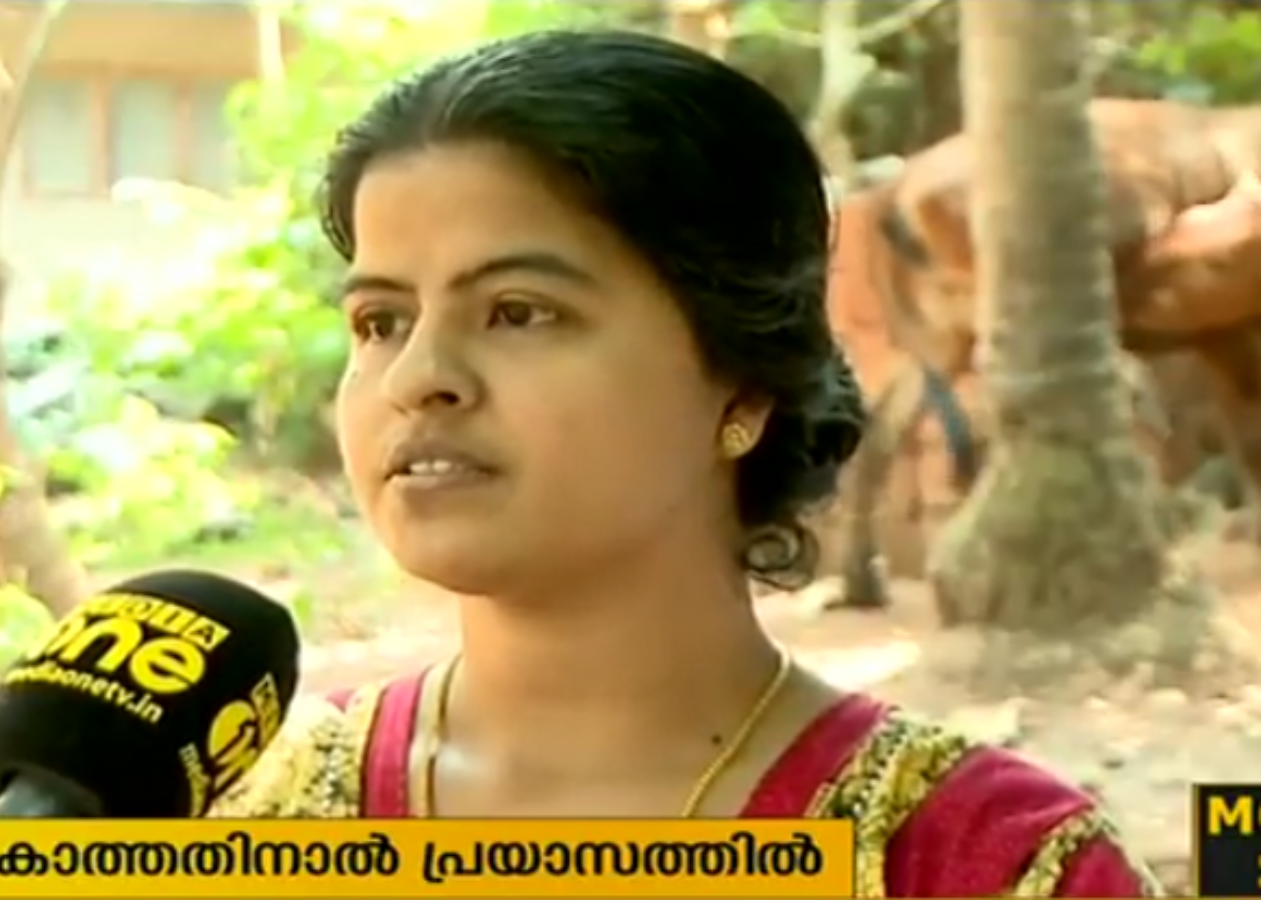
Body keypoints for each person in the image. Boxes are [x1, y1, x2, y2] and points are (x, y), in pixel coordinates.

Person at [214, 28, 1164, 898]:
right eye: (380, 321)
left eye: (518, 311)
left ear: (741, 389)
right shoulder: (246, 814)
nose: (418, 377)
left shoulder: (981, 862)